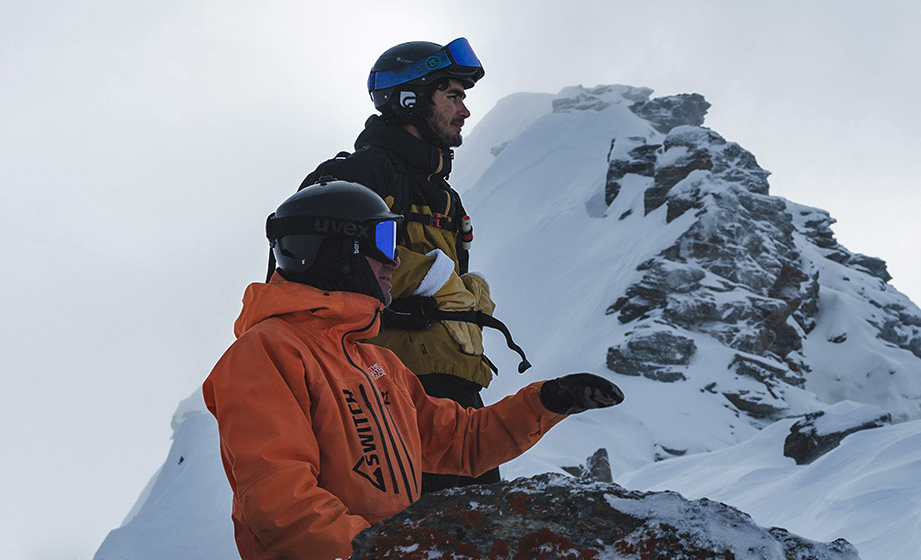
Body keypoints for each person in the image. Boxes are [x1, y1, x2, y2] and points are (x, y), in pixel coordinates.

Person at [206, 182, 624, 560]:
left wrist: (547, 401)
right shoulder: (266, 353)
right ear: (337, 251)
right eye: (385, 241)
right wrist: (383, 551)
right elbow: (280, 504)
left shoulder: (378, 362)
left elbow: (459, 443)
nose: (395, 261)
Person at [300, 37, 515, 492]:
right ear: (410, 99)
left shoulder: (446, 198)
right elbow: (322, 261)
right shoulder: (362, 174)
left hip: (458, 396)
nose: (465, 110)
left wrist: (464, 297)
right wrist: (434, 277)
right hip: (384, 394)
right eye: (453, 95)